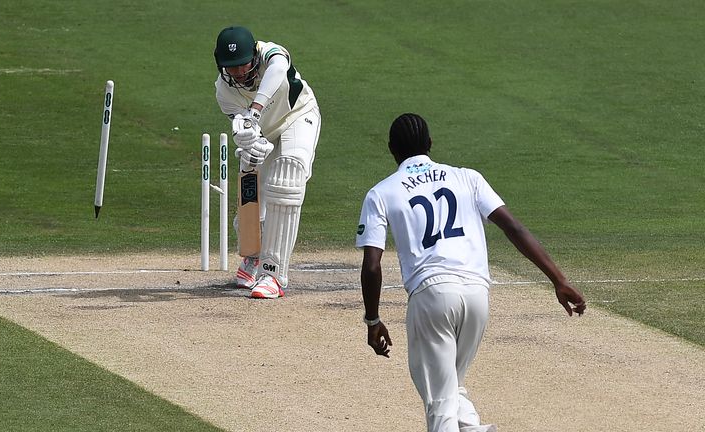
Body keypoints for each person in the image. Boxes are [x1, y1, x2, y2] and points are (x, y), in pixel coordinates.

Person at [355, 113, 586, 432]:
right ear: (431, 144)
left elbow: (372, 264)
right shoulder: (467, 177)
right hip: (478, 295)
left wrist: (372, 320)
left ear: (392, 149)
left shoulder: (381, 193)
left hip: (432, 295)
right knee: (449, 386)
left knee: (439, 403)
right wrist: (558, 280)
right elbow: (514, 228)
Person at [213, 26, 321, 299]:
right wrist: (251, 144)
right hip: (266, 129)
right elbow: (248, 131)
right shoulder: (224, 93)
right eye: (230, 67)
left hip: (298, 116)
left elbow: (279, 69)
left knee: (286, 179)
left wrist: (254, 111)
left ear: (254, 55)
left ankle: (272, 275)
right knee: (252, 188)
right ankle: (253, 255)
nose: (237, 73)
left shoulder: (271, 54)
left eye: (242, 65)